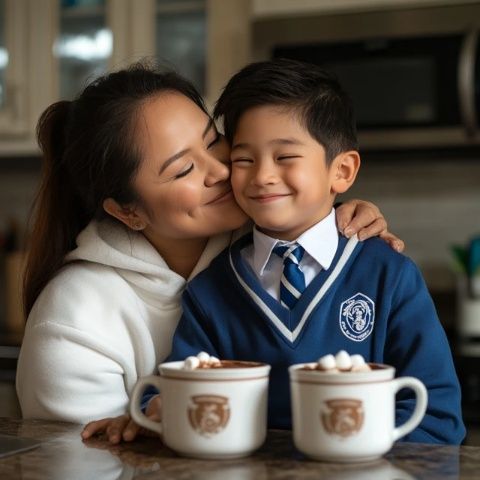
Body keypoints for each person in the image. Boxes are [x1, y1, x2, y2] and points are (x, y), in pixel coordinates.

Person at [16, 63, 400, 427]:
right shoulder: (72, 322)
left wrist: (339, 220)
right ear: (127, 211)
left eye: (213, 141)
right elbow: (86, 460)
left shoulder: (257, 241)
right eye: (183, 169)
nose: (221, 170)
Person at [144, 59, 465, 444]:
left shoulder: (389, 276)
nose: (262, 175)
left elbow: (436, 417)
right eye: (243, 159)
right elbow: (174, 391)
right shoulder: (211, 289)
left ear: (342, 171)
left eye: (285, 158)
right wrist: (156, 407)